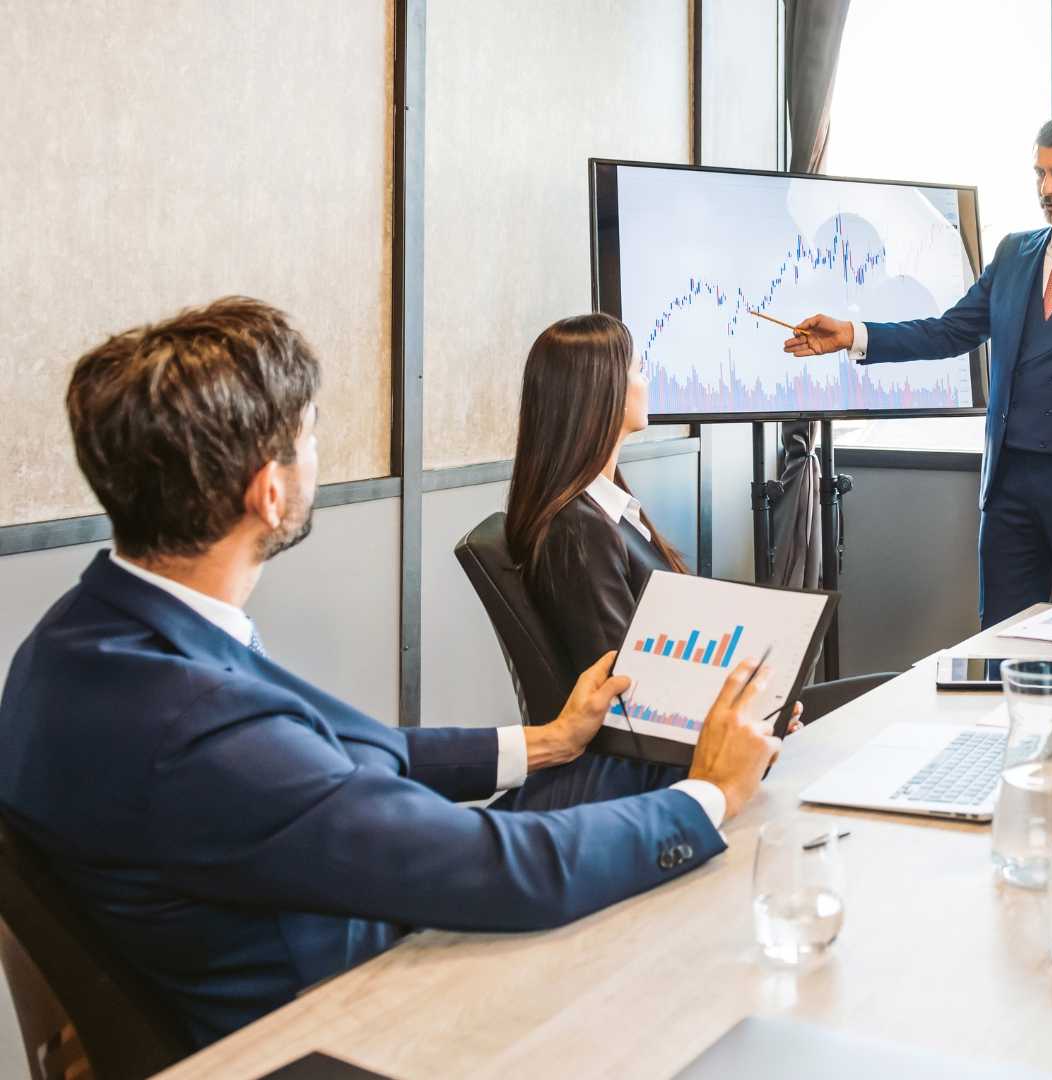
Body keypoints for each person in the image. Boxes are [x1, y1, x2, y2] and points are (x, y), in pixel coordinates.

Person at [0, 298, 782, 1047]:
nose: (317, 455)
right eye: (308, 437)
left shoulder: (80, 642)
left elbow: (347, 752)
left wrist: (543, 742)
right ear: (269, 494)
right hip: (353, 1009)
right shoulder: (201, 725)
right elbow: (509, 873)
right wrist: (708, 794)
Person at [782, 114, 1052, 626]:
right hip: (1010, 486)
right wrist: (854, 334)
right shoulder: (1014, 253)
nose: (1047, 188)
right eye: (1039, 174)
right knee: (998, 639)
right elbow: (950, 331)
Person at [500, 313, 697, 807]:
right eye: (638, 369)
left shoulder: (607, 511)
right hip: (641, 770)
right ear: (601, 391)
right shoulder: (579, 529)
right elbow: (627, 680)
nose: (646, 382)